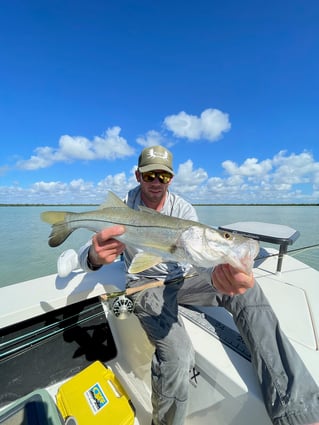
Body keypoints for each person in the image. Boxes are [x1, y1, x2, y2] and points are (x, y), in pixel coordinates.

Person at [78, 145, 319, 425]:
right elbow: (88, 252)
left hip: (185, 277)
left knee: (247, 290)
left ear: (171, 178)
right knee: (179, 356)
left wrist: (219, 272)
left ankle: (299, 411)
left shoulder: (183, 209)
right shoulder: (120, 208)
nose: (156, 182)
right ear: (137, 175)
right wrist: (94, 257)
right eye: (149, 175)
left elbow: (198, 254)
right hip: (146, 284)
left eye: (163, 176)